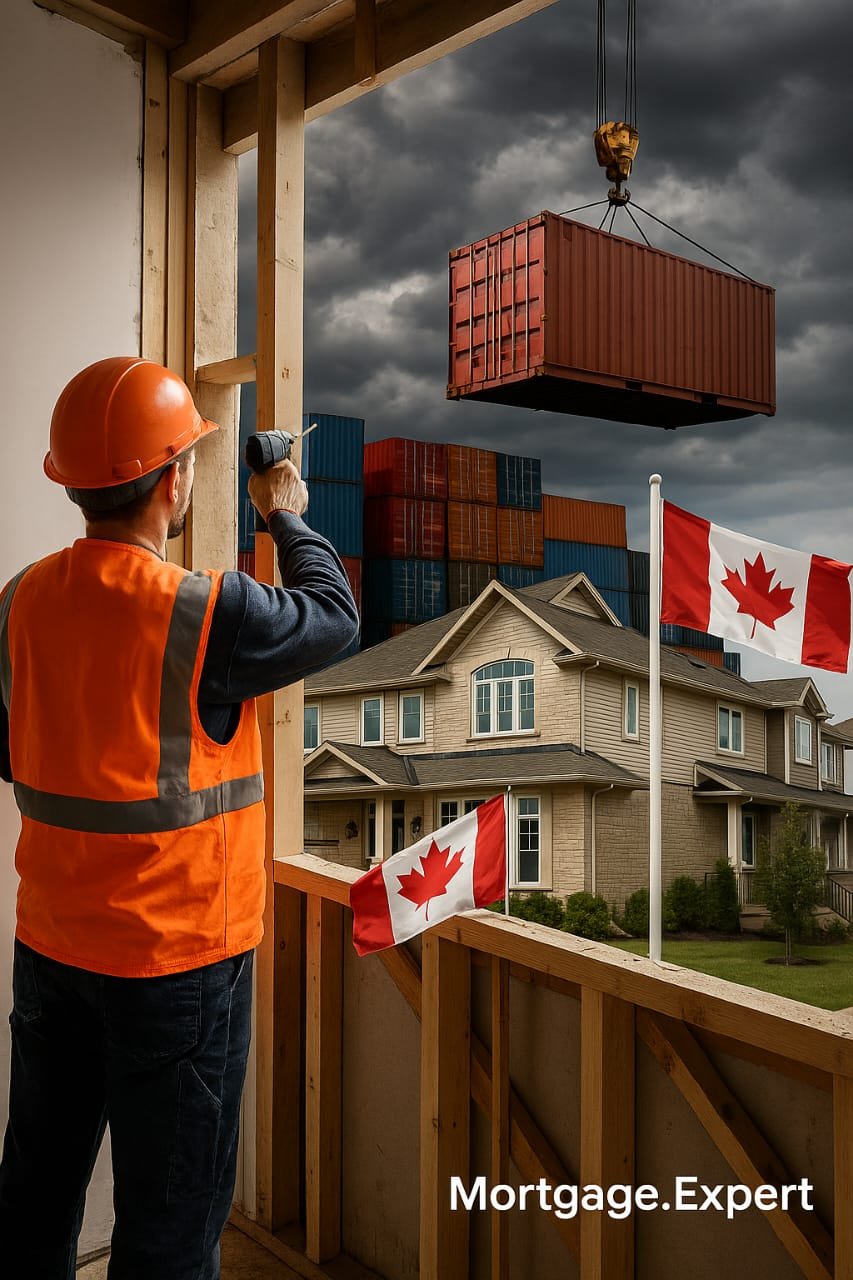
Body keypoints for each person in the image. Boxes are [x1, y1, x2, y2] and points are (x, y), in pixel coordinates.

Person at [0, 356, 359, 1279]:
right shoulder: (204, 613)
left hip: (51, 947)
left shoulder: (19, 601)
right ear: (172, 481)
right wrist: (284, 509)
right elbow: (332, 616)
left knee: (35, 1195)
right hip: (177, 961)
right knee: (169, 1220)